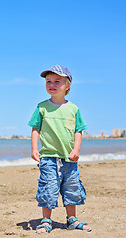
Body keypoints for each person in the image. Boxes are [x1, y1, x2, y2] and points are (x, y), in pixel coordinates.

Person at [28, 65, 92, 234]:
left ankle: (72, 219)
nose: (52, 84)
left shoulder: (73, 109)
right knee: (48, 188)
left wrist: (76, 150)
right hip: (48, 156)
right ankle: (46, 220)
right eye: (49, 81)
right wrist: (35, 148)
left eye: (57, 81)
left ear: (67, 85)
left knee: (72, 188)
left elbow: (79, 131)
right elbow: (36, 129)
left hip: (69, 158)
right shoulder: (42, 107)